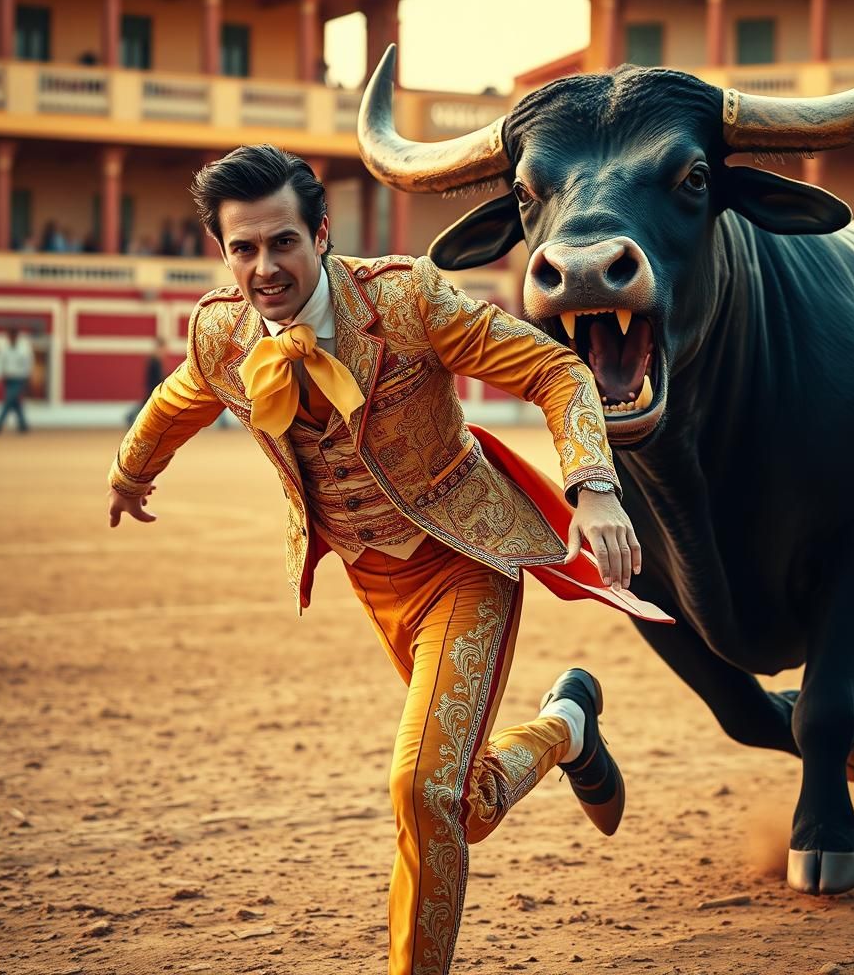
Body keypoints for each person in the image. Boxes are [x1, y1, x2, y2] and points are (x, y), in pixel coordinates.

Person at [107, 144, 668, 975]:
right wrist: (130, 471)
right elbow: (178, 400)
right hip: (374, 583)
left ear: (322, 232)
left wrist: (594, 485)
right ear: (222, 253)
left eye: (283, 243)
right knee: (458, 802)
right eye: (244, 249)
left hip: (463, 559)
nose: (265, 267)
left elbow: (555, 369)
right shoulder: (220, 332)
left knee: (419, 791)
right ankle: (565, 729)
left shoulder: (406, 300)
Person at [0, 328, 34, 433]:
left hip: (20, 378)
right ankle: (23, 425)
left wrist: (28, 376)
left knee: (8, 400)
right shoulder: (3, 347)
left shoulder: (24, 347)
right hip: (8, 378)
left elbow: (29, 362)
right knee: (15, 402)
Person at [126, 337, 166, 424]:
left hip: (153, 387)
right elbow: (157, 377)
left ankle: (131, 417)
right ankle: (130, 417)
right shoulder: (154, 360)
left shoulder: (154, 359)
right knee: (146, 405)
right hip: (153, 387)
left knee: (146, 405)